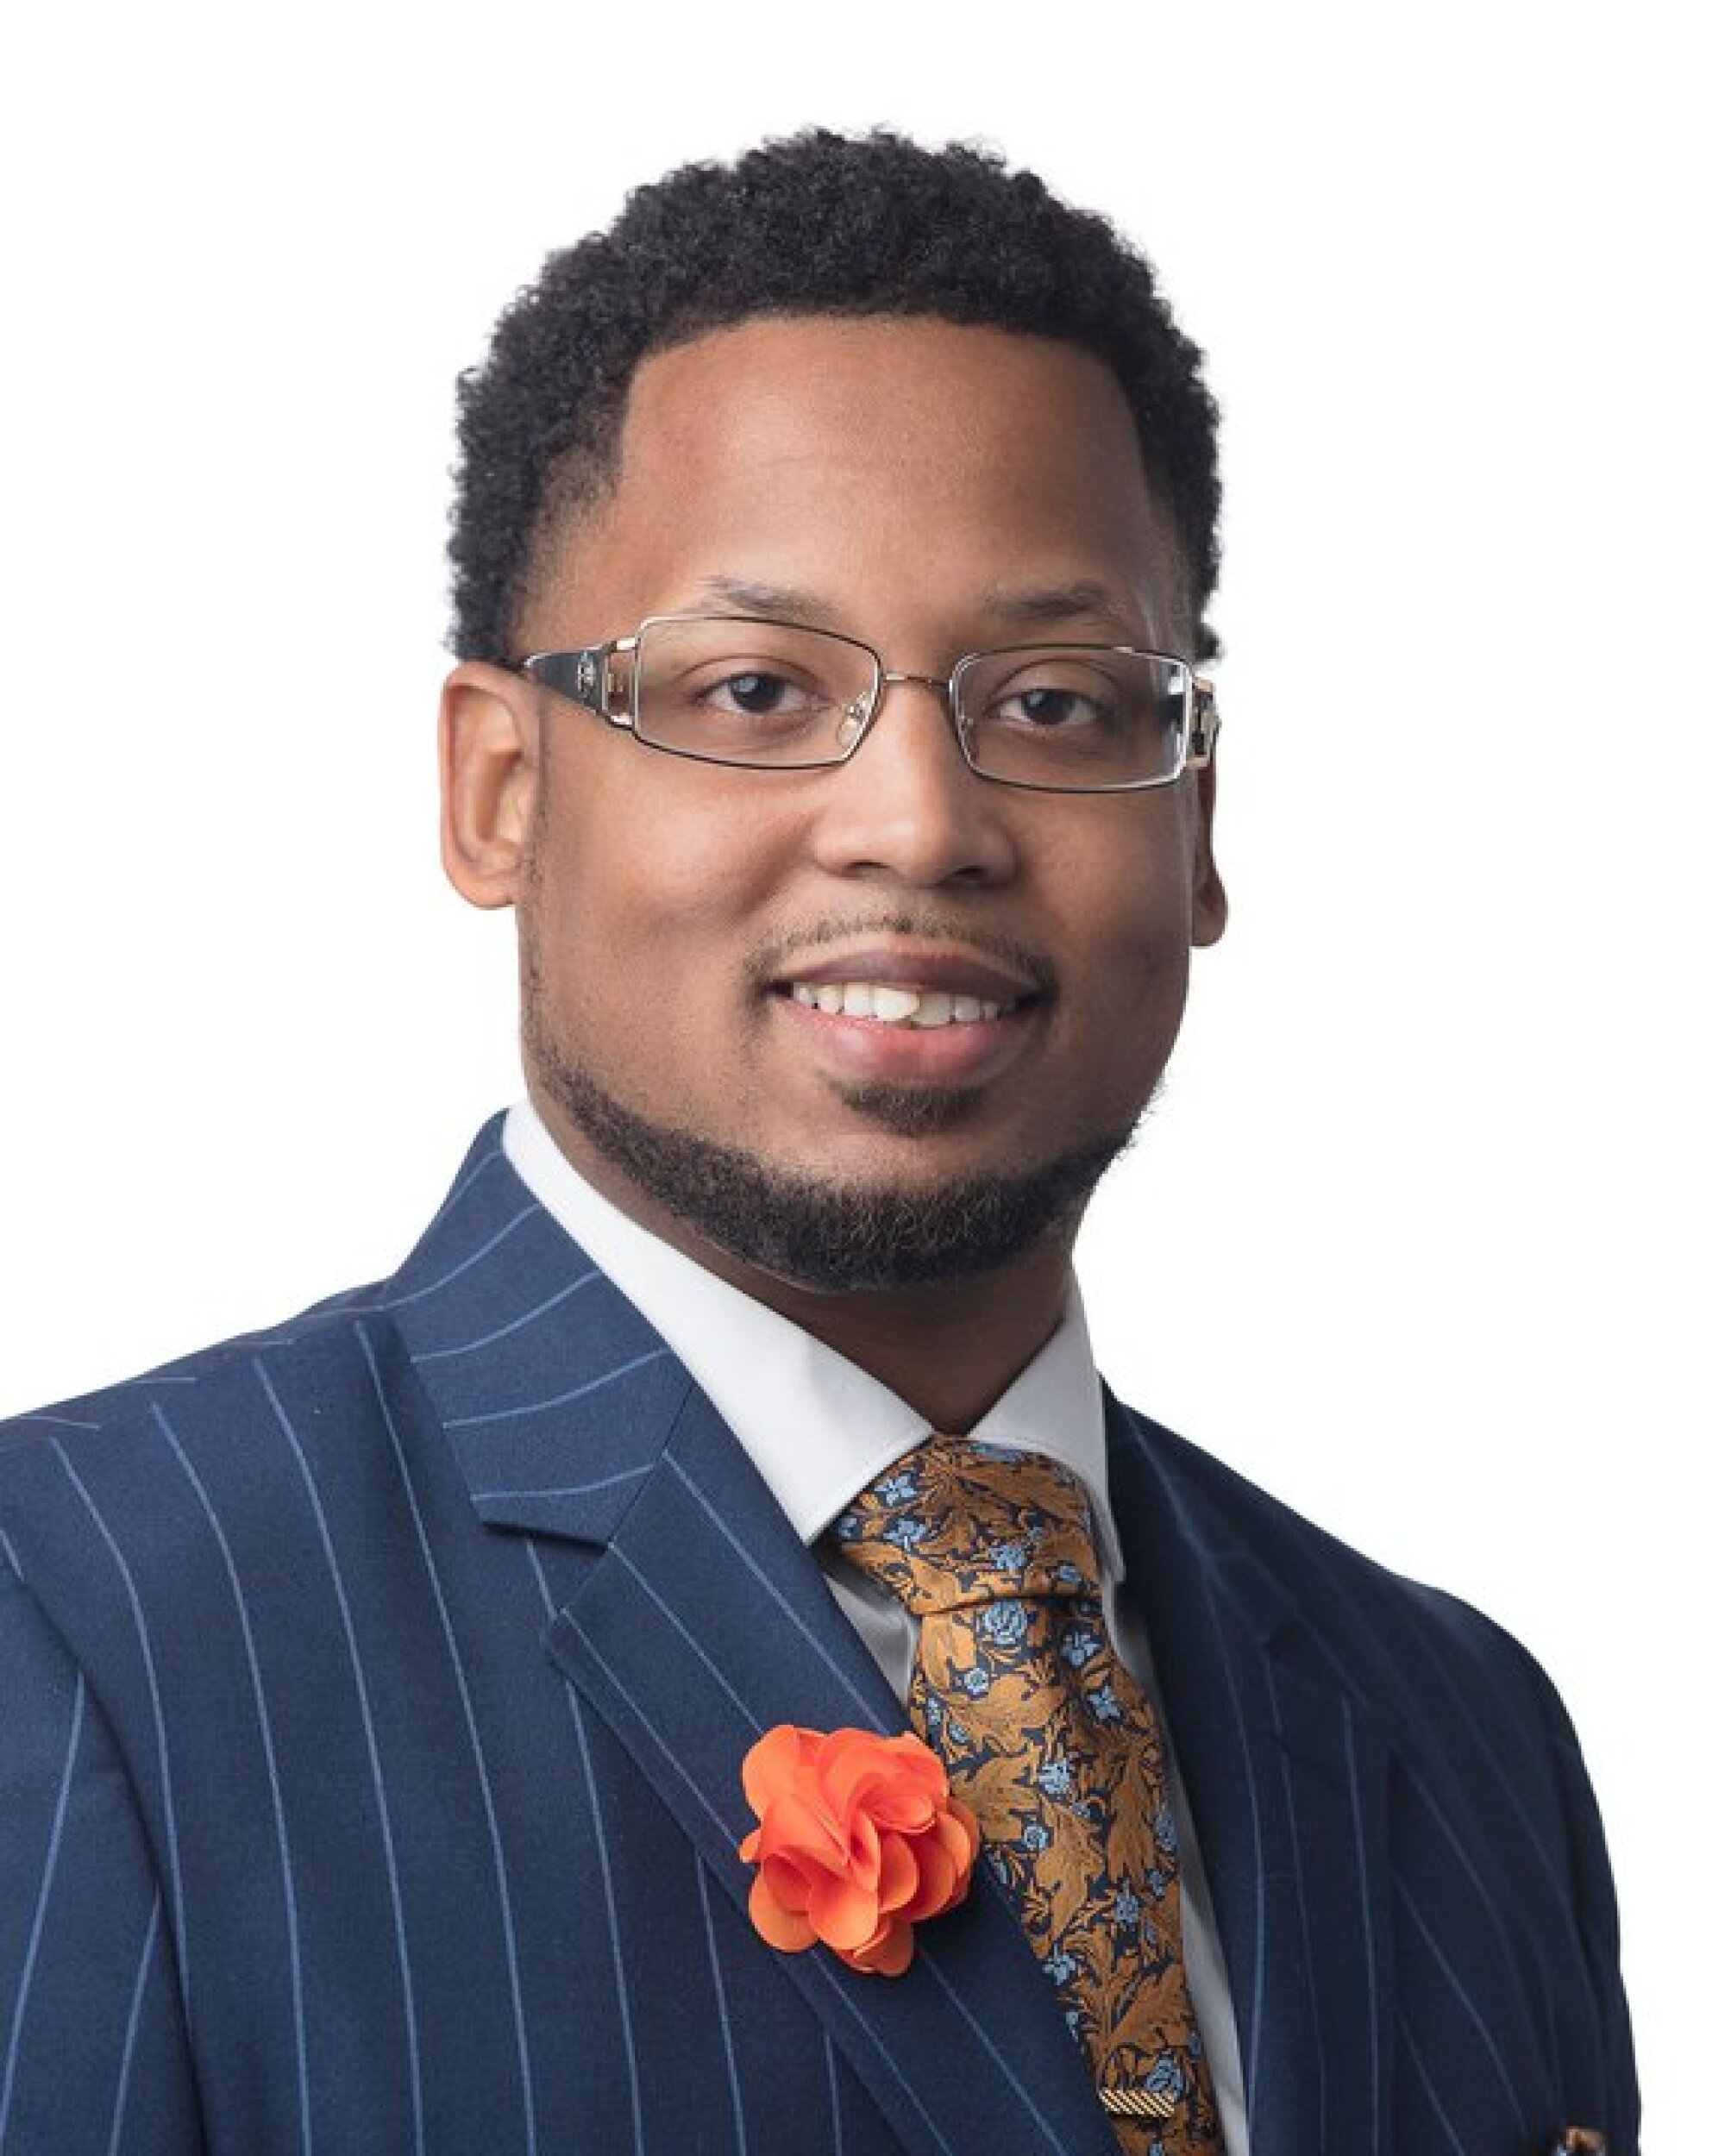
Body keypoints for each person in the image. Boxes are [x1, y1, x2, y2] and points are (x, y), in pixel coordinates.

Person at [0, 131, 1635, 2155]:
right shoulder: (81, 1621)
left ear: (1197, 822)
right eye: (758, 686)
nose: (920, 822)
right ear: (497, 788)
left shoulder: (1460, 1727)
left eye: (1055, 701)